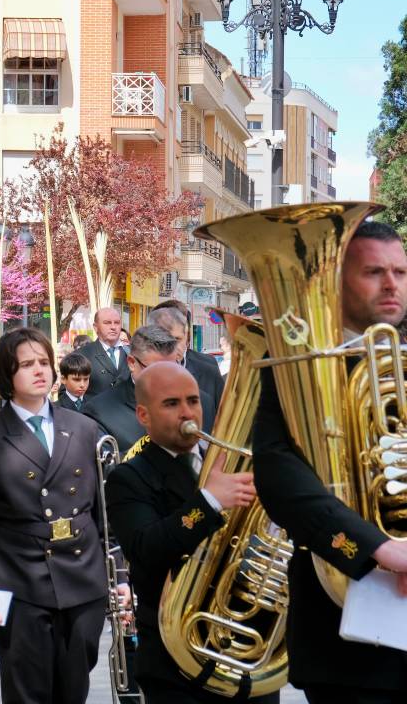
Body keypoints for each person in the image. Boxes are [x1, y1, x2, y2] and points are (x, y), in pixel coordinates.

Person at [250, 219, 407, 702]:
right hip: (346, 642)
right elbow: (279, 476)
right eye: (374, 272)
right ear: (337, 280)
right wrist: (379, 547)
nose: (391, 285)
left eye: (401, 272)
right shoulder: (296, 367)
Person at [0, 327, 107, 704]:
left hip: (83, 576)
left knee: (74, 689)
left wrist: (117, 573)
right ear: (7, 376)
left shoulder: (85, 429)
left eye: (44, 362)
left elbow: (104, 512)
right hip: (21, 580)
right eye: (26, 364)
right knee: (28, 691)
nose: (39, 371)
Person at [105, 361, 269, 704]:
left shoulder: (231, 461)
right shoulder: (130, 477)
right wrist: (209, 501)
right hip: (176, 657)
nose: (187, 411)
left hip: (247, 648)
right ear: (143, 415)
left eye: (193, 400)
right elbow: (146, 548)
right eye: (171, 403)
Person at [83, 325, 179, 454]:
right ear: (132, 363)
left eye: (172, 369)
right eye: (157, 370)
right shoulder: (98, 412)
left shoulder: (196, 402)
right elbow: (107, 469)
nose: (166, 379)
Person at [148, 303, 223, 432]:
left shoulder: (208, 370)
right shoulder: (139, 373)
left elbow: (222, 418)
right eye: (165, 338)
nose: (171, 345)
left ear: (186, 336)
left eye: (177, 338)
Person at [72, 308, 129, 400]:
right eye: (107, 323)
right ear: (96, 327)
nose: (113, 327)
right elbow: (67, 396)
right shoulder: (81, 355)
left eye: (117, 323)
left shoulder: (133, 354)